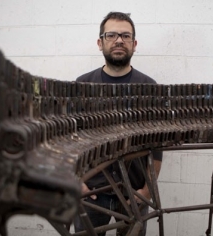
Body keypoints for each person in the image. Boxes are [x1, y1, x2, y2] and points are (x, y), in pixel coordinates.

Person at [74, 12, 163, 236]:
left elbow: (157, 148)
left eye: (125, 36)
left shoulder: (150, 88)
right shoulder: (81, 86)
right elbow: (68, 142)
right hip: (91, 194)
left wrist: (146, 192)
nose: (119, 40)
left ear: (134, 44)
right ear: (100, 42)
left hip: (134, 193)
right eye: (111, 34)